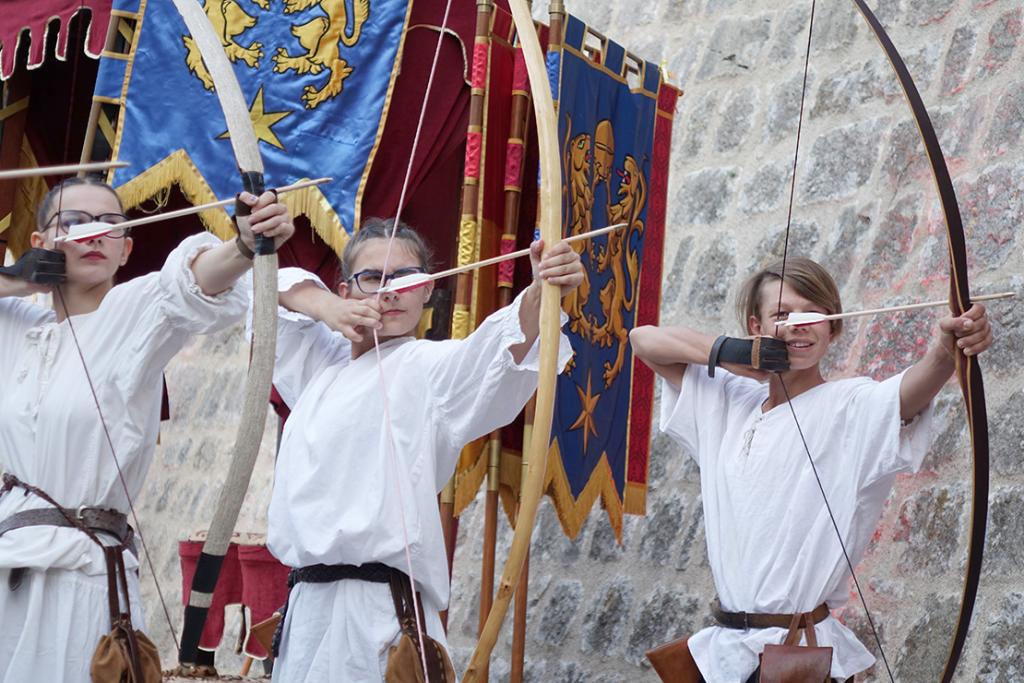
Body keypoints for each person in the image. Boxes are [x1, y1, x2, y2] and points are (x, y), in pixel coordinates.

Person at [630, 257, 993, 683]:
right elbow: (643, 340)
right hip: (727, 655)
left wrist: (945, 352)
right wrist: (728, 353)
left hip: (796, 658)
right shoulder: (729, 398)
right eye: (782, 315)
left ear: (832, 327)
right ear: (756, 326)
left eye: (812, 314)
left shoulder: (851, 405)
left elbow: (911, 390)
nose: (798, 326)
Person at [0, 176, 294, 683]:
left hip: (82, 575)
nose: (94, 234)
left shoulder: (135, 311)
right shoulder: (15, 323)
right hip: (9, 566)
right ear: (41, 242)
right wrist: (15, 281)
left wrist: (245, 245)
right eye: (75, 223)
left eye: (110, 224)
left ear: (127, 248)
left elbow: (193, 281)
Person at [263, 217, 582, 681]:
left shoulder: (431, 368)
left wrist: (541, 289)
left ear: (428, 289)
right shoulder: (319, 365)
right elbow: (265, 289)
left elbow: (498, 347)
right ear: (346, 290)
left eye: (405, 278)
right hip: (306, 610)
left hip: (379, 616)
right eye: (373, 278)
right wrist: (327, 307)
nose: (390, 292)